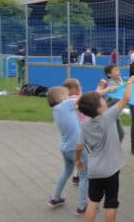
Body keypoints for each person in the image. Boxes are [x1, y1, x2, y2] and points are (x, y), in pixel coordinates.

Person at [76, 76, 134, 222]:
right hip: (111, 169)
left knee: (93, 202)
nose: (104, 100)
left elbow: (79, 146)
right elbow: (126, 98)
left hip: (94, 170)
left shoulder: (85, 125)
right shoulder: (108, 116)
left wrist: (78, 160)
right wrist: (130, 82)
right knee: (111, 203)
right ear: (99, 107)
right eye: (102, 100)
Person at [46, 87, 88, 216]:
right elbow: (86, 97)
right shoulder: (65, 104)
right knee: (84, 175)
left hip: (65, 148)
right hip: (75, 148)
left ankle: (55, 198)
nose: (69, 96)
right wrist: (105, 89)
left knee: (67, 171)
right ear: (60, 98)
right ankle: (82, 206)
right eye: (66, 94)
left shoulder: (57, 109)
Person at [63, 78, 88, 186]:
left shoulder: (70, 99)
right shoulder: (73, 100)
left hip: (79, 129)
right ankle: (80, 176)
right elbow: (83, 101)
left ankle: (77, 176)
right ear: (71, 89)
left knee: (83, 153)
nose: (80, 88)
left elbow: (81, 98)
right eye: (77, 86)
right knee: (84, 153)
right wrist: (100, 89)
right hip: (81, 128)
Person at [99, 65, 126, 142]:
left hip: (114, 114)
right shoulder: (111, 87)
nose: (118, 71)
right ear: (109, 74)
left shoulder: (120, 81)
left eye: (118, 69)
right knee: (118, 134)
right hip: (108, 114)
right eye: (115, 70)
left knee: (119, 134)